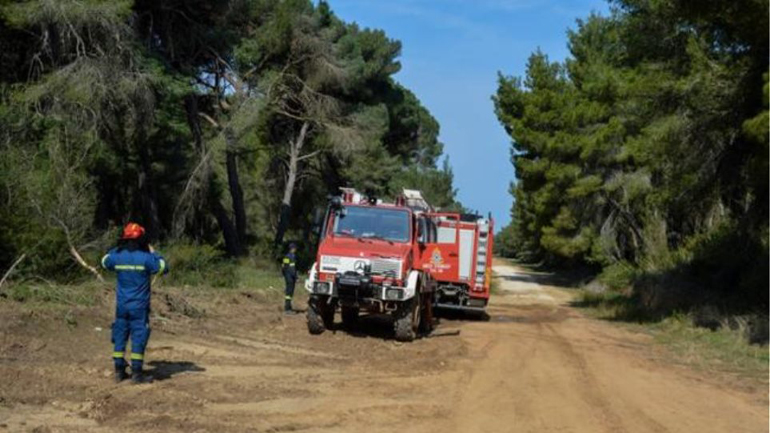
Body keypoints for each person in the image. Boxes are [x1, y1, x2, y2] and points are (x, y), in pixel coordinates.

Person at [101, 223, 169, 384]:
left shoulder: (117, 256)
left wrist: (118, 248)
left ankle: (119, 371)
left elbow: (104, 261)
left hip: (122, 306)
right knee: (138, 336)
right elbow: (163, 267)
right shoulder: (146, 258)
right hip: (139, 307)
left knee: (120, 335)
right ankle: (137, 374)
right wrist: (154, 252)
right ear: (142, 239)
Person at [282, 243, 298, 314]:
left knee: (290, 293)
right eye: (294, 248)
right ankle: (287, 309)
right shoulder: (289, 257)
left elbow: (285, 268)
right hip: (290, 277)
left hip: (290, 277)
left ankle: (288, 307)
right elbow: (288, 268)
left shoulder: (290, 257)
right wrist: (293, 276)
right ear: (292, 248)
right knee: (289, 293)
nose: (295, 250)